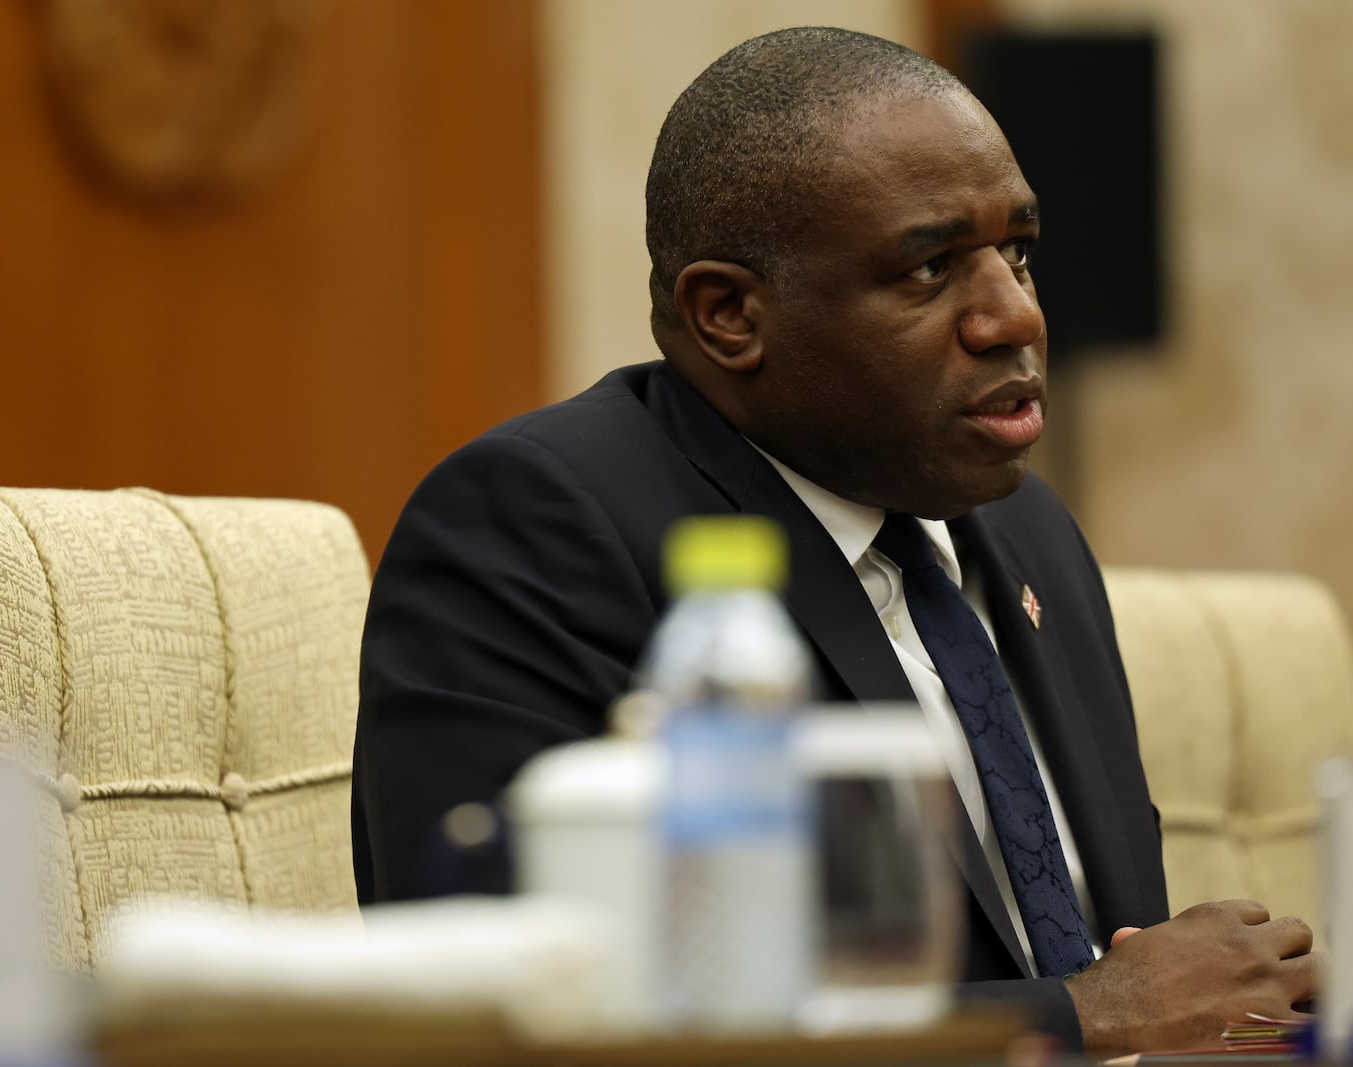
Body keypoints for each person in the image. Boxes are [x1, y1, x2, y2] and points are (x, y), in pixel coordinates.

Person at [352, 26, 1320, 1056]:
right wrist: (1087, 1016)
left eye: (1018, 252)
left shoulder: (1023, 528)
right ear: (728, 313)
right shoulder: (537, 525)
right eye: (930, 268)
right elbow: (506, 1016)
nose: (1012, 316)